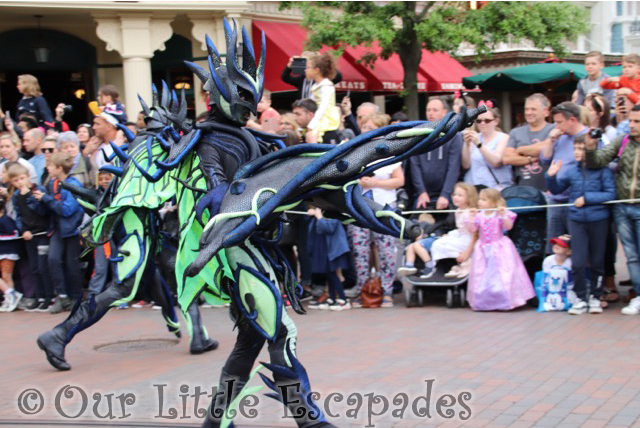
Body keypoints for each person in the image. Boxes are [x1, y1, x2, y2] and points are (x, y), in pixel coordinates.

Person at [546, 135, 616, 315]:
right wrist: (551, 177)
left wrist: (587, 199)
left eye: (581, 149)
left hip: (598, 220)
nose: (577, 152)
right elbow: (555, 190)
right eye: (575, 148)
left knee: (597, 262)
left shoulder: (603, 170)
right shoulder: (571, 170)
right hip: (576, 220)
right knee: (577, 262)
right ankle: (580, 298)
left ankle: (595, 297)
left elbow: (610, 194)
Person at [585, 105, 640, 315]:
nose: (632, 125)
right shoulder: (623, 140)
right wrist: (590, 148)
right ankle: (638, 295)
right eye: (632, 121)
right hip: (623, 207)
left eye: (637, 122)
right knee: (632, 256)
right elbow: (598, 160)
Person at [347, 116, 404, 307]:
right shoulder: (355, 153)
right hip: (359, 207)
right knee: (359, 250)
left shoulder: (390, 154)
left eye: (370, 127)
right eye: (364, 127)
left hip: (384, 207)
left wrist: (375, 183)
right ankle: (363, 289)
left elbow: (399, 181)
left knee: (387, 249)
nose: (366, 131)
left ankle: (387, 290)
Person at [466, 188, 535, 311]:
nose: (480, 202)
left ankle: (505, 301)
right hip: (483, 249)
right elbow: (472, 229)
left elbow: (508, 227)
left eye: (484, 199)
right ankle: (484, 302)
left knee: (504, 275)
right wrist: (471, 217)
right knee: (482, 275)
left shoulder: (499, 214)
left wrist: (503, 215)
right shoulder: (478, 215)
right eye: (480, 199)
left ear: (493, 202)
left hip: (500, 248)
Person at [33, 152, 85, 314]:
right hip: (56, 229)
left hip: (72, 231)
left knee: (72, 265)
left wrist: (46, 200)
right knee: (53, 260)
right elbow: (47, 211)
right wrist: (34, 200)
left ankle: (76, 297)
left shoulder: (74, 185)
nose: (47, 167)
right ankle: (62, 296)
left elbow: (67, 210)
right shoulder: (52, 184)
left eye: (50, 165)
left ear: (59, 167)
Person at [398, 183, 477, 278]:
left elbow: (473, 230)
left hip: (468, 238)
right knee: (438, 243)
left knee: (439, 244)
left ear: (469, 197)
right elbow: (460, 230)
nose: (455, 197)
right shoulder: (458, 211)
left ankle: (462, 263)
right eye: (454, 195)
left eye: (460, 195)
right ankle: (427, 266)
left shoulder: (470, 212)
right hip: (460, 235)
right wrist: (450, 235)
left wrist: (471, 218)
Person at [540, 102, 588, 252]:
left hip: (576, 201)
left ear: (572, 120)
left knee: (576, 247)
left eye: (560, 122)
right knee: (553, 247)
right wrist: (550, 139)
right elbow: (544, 159)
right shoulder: (559, 136)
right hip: (555, 199)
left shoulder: (588, 137)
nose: (557, 126)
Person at [10, 163, 51, 312]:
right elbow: (18, 216)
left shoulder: (37, 190)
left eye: (22, 178)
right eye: (16, 180)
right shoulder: (15, 196)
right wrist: (23, 230)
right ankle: (39, 297)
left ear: (28, 177)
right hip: (29, 236)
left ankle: (49, 297)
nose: (20, 182)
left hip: (42, 233)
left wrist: (28, 196)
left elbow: (42, 211)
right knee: (34, 267)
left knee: (43, 266)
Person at [410, 97, 462, 210]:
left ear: (444, 112)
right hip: (422, 194)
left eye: (435, 110)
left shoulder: (453, 135)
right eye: (428, 110)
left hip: (446, 193)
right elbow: (415, 166)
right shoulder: (418, 134)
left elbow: (453, 167)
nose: (431, 113)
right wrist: (421, 192)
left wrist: (445, 194)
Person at [502, 93, 555, 190]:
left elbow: (546, 148)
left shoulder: (554, 129)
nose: (528, 112)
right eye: (526, 109)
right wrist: (531, 159)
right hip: (522, 190)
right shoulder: (515, 132)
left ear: (546, 111)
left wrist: (520, 150)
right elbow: (507, 158)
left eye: (533, 109)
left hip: (548, 191)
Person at [306, 207, 351, 310]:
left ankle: (343, 300)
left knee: (334, 275)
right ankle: (332, 298)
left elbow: (328, 228)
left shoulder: (332, 213)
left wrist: (319, 216)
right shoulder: (321, 213)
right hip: (325, 250)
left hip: (333, 251)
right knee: (329, 275)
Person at [462, 101, 513, 189]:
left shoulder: (503, 137)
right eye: (479, 121)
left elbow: (496, 162)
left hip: (495, 189)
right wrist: (466, 144)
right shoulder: (475, 137)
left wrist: (479, 145)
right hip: (474, 187)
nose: (482, 123)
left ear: (496, 121)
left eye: (487, 120)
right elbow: (466, 165)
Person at [303, 52, 341, 144]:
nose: (305, 70)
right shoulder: (317, 86)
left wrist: (312, 124)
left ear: (317, 70)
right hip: (319, 118)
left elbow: (323, 106)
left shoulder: (326, 86)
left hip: (326, 121)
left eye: (308, 67)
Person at [538, 235, 574, 311]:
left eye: (561, 245)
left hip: (566, 288)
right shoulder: (548, 260)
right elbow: (545, 279)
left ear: (569, 251)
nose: (556, 246)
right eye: (556, 243)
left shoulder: (570, 263)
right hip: (551, 287)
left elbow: (571, 282)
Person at [0, 199, 21, 312]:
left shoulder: (6, 220)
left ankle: (12, 295)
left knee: (6, 277)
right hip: (1, 252)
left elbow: (15, 233)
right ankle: (10, 299)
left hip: (8, 252)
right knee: (5, 277)